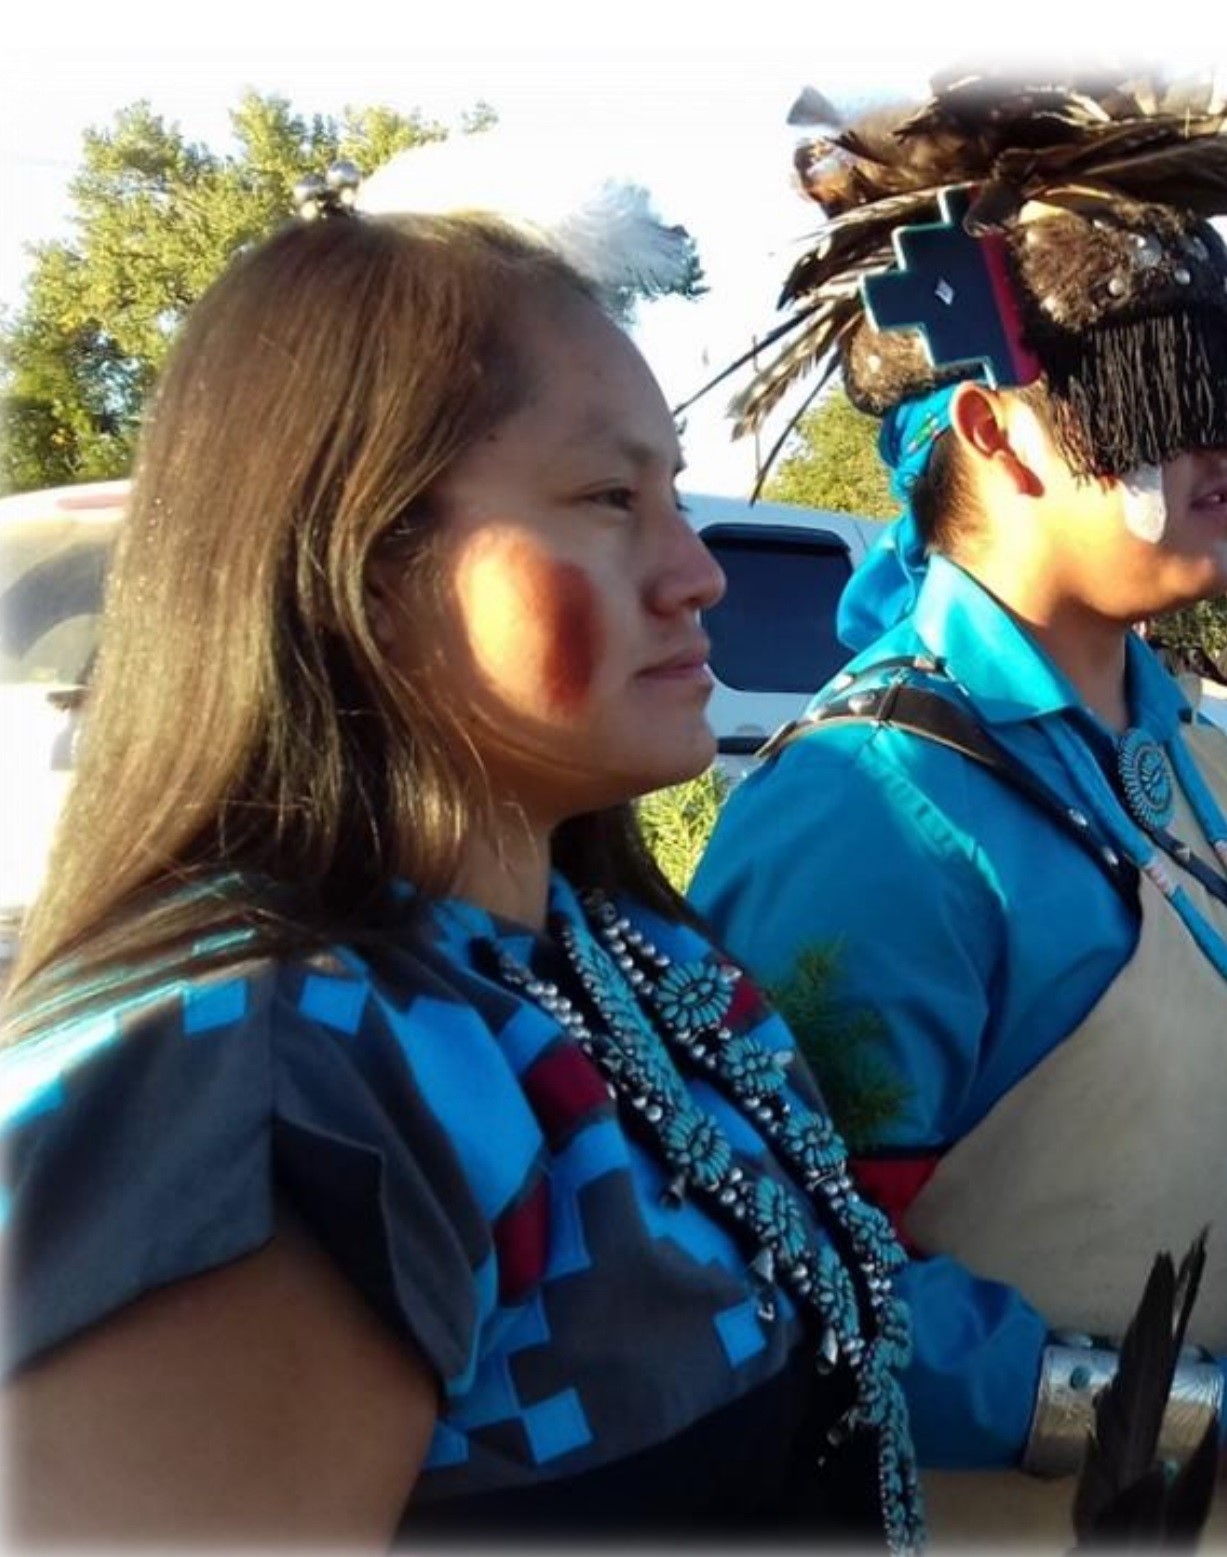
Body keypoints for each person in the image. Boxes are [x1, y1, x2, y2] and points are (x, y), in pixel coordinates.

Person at [0, 165, 924, 1545]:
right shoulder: (259, 1085)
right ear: (368, 561)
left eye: (671, 494)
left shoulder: (624, 962)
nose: (698, 571)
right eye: (611, 499)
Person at [683, 69, 1227, 1550]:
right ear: (1000, 430)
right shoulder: (870, 812)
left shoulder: (1211, 760)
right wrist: (1209, 1411)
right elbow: (781, 1275)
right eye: (1174, 396)